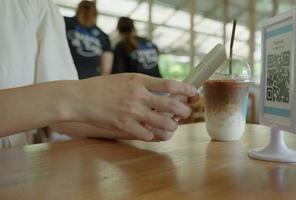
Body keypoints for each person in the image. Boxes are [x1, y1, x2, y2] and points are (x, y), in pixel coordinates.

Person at [0, 0, 198, 148]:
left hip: (16, 167)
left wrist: (133, 124)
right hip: (86, 91)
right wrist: (81, 95)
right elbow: (105, 71)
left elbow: (64, 118)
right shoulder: (106, 38)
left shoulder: (41, 8)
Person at [64, 1, 113, 79]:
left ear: (77, 10)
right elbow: (106, 68)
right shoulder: (103, 35)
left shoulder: (65, 22)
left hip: (64, 73)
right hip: (90, 80)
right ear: (95, 14)